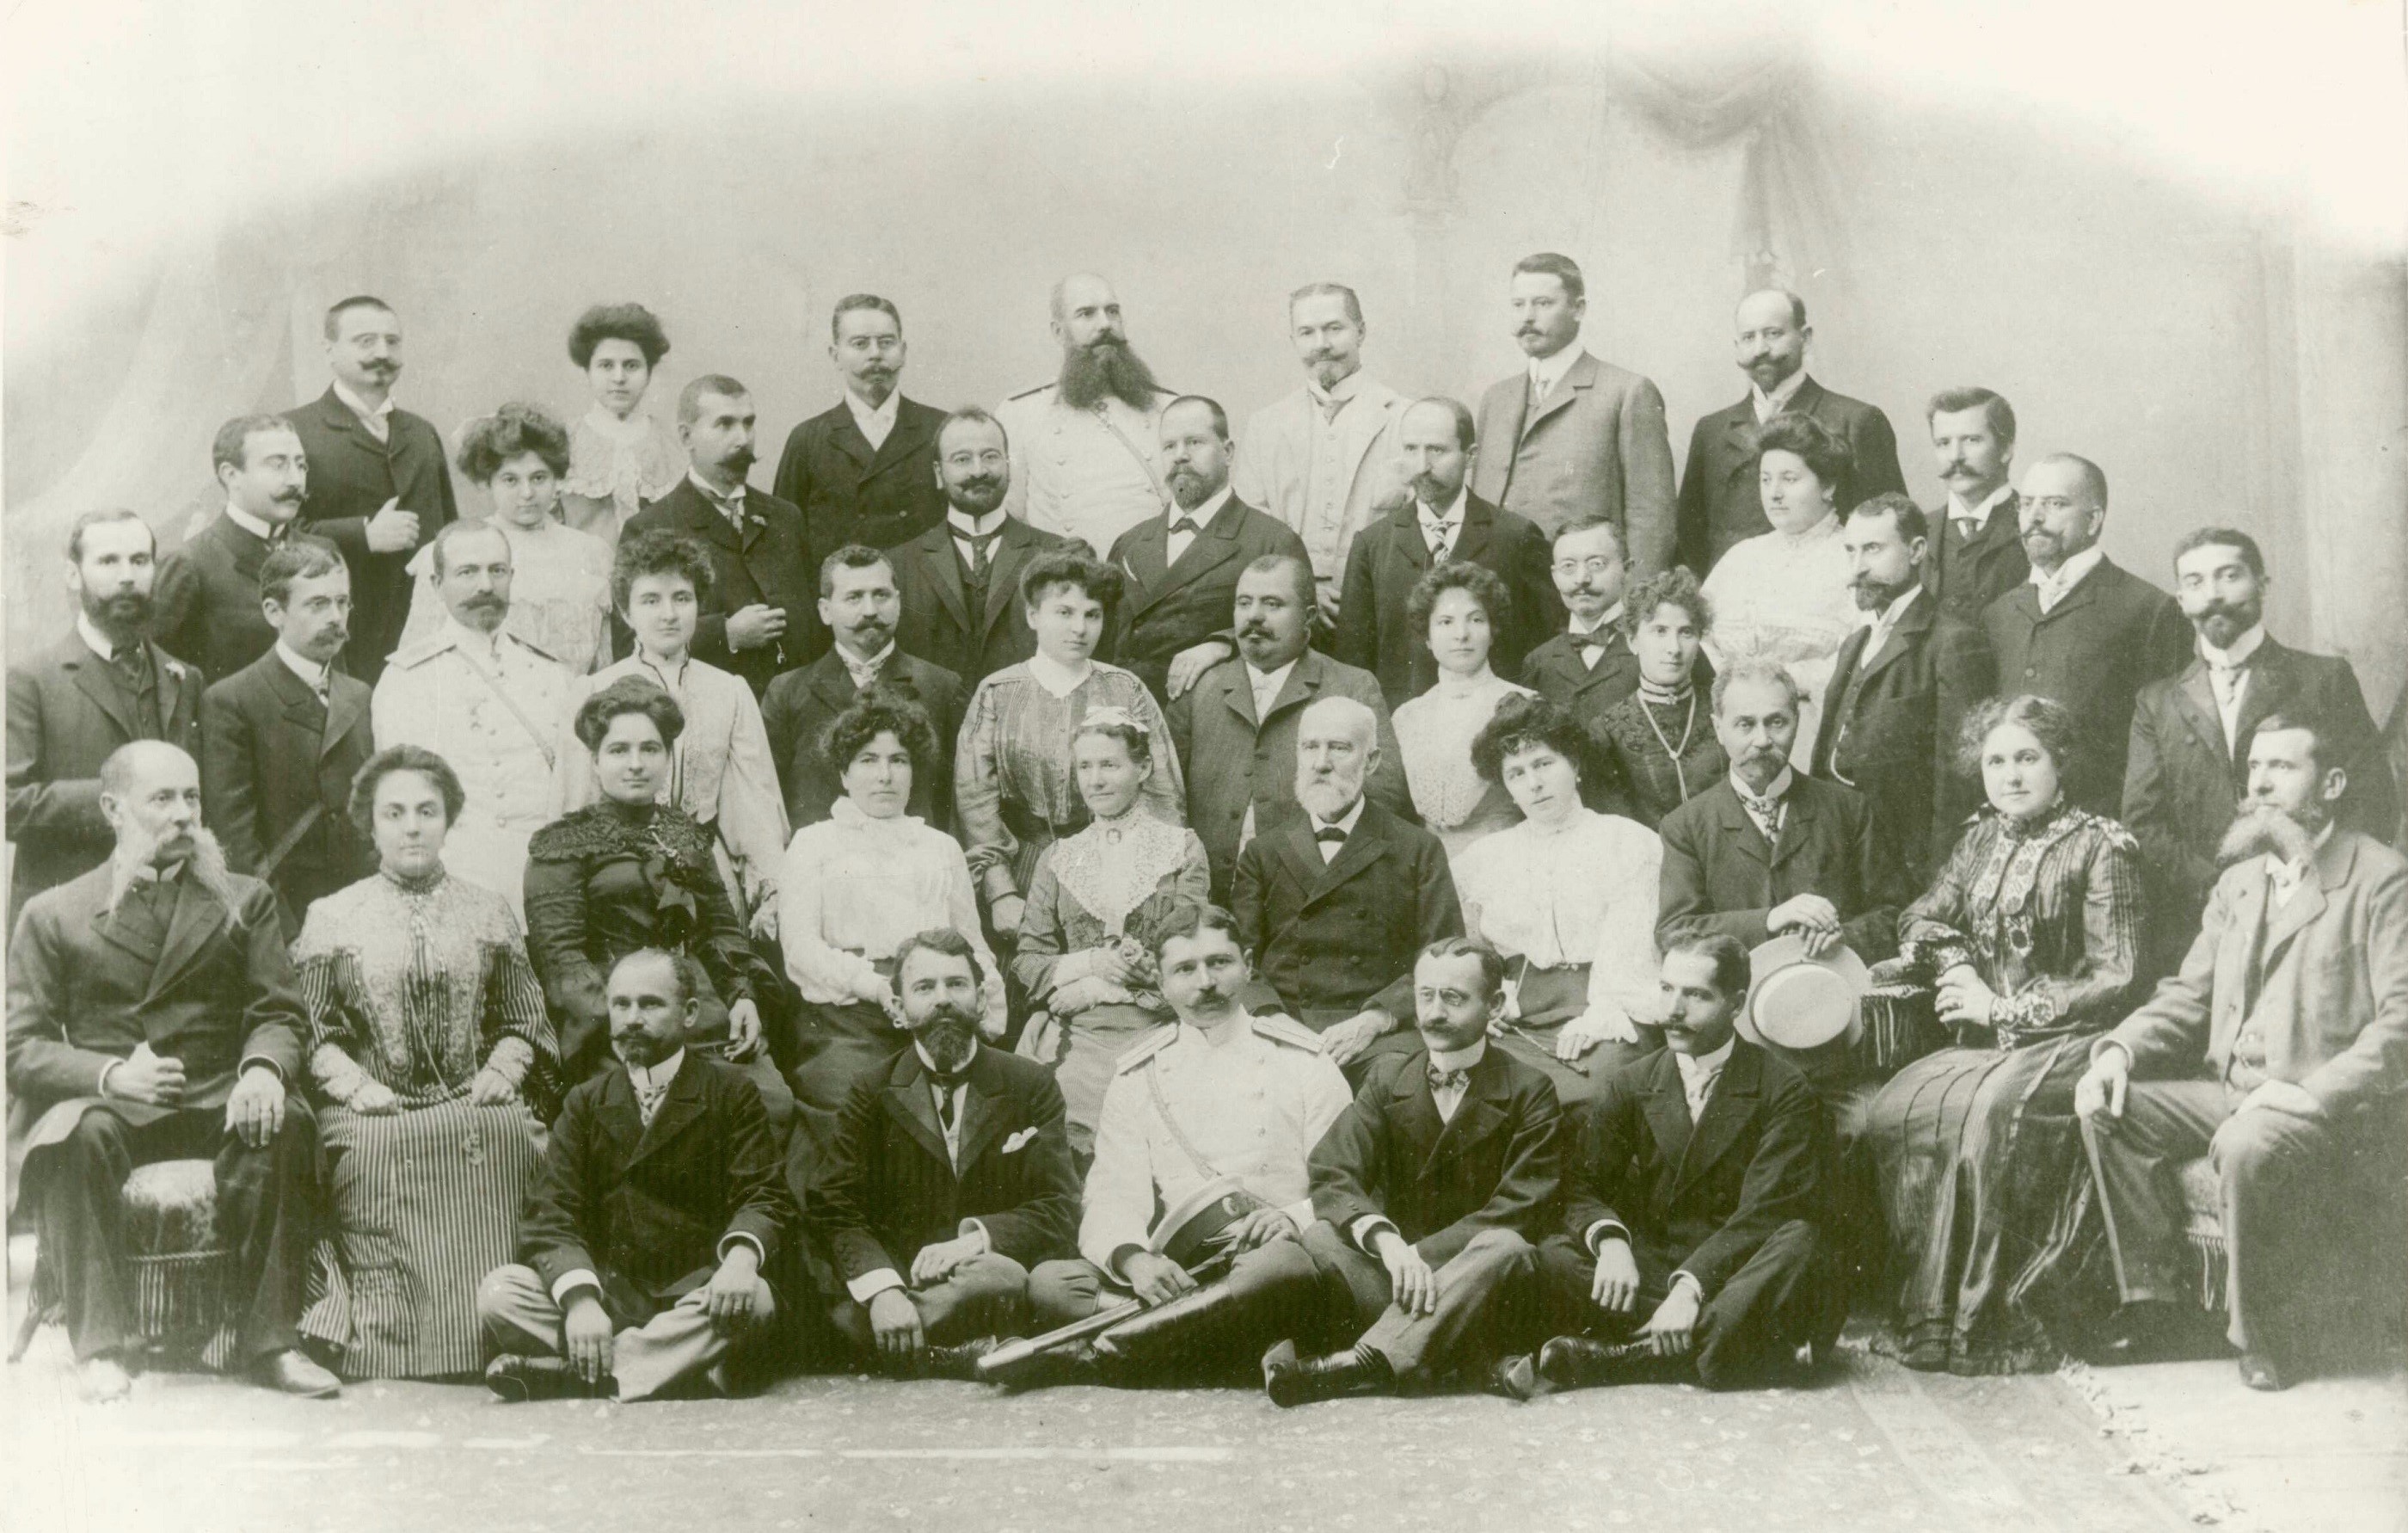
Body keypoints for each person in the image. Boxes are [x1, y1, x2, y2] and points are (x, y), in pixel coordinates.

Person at [2073, 714, 2408, 1390]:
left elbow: (2401, 1023)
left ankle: (2265, 1338)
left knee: (2246, 1143)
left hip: (2326, 1106)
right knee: (2111, 1111)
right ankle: (2158, 1309)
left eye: (2282, 767)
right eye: (2254, 767)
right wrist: (2118, 1053)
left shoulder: (2381, 879)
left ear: (2332, 784)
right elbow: (2188, 994)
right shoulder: (2241, 881)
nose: (2259, 785)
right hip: (2233, 1089)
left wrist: (2310, 1093)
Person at [6, 741, 338, 1401]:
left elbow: (278, 1011)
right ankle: (102, 1347)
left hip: (219, 1094)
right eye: (162, 799)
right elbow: (18, 1047)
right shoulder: (54, 912)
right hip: (116, 1105)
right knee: (69, 1138)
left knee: (285, 1124)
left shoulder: (245, 899)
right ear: (113, 810)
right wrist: (108, 1075)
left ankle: (272, 1343)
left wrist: (263, 1070)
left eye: (192, 798)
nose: (184, 814)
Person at [1858, 696, 2149, 1374]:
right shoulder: (1980, 839)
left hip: (2076, 1038)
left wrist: (2003, 1008)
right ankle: (1928, 1317)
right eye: (1996, 762)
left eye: (2027, 758)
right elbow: (1920, 917)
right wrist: (1957, 966)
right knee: (1898, 1106)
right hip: (1990, 1040)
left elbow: (2119, 975)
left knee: (1991, 1113)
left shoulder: (2103, 846)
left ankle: (1986, 1318)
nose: (2011, 776)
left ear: (2060, 763)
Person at [291, 746, 562, 1380]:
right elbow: (312, 1030)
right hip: (371, 1108)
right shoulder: (332, 916)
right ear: (370, 824)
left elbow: (525, 1016)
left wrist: (504, 1069)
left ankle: (499, 1332)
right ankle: (391, 1344)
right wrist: (354, 1085)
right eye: (394, 813)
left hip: (473, 1097)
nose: (411, 827)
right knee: (374, 1152)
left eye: (427, 811)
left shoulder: (488, 909)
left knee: (509, 1135)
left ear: (448, 820)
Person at [1016, 902, 1348, 1386]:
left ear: (1247, 966)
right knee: (1053, 1283)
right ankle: (1230, 1348)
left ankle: (1119, 1354)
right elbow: (1112, 1193)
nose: (1205, 983)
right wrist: (1136, 1261)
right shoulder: (1139, 1074)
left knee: (1277, 1270)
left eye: (1220, 963)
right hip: (1189, 1271)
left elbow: (1348, 1181)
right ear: (1160, 980)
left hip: (1281, 1252)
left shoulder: (1302, 1059)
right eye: (1185, 969)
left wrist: (1294, 1217)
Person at [1500, 935, 1840, 1397]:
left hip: (1739, 1266)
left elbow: (1765, 1211)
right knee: (1554, 1253)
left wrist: (1691, 1288)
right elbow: (1582, 1185)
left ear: (1736, 1003)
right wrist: (1612, 1243)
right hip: (1661, 1265)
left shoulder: (1784, 1088)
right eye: (1666, 989)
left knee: (1800, 1241)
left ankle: (1626, 1357)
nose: (1673, 1011)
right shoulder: (1633, 1081)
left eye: (1696, 995)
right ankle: (1724, 1342)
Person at [478, 948, 793, 1402]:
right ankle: (666, 1367)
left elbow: (764, 1193)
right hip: (614, 1296)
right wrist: (581, 1301)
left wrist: (740, 1261)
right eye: (620, 1004)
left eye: (650, 1004)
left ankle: (589, 1373)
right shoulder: (586, 1101)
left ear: (689, 1013)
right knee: (500, 1292)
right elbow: (551, 1210)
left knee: (754, 1297)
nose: (632, 1019)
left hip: (699, 1291)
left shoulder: (730, 1091)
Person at [1265, 938, 1561, 1405]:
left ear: (1495, 1005)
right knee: (1322, 1235)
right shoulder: (1388, 1078)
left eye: (1454, 998)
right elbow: (1333, 1170)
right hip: (1397, 1278)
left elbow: (1522, 1205)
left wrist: (1417, 1256)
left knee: (1506, 1245)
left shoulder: (1530, 1089)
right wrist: (1387, 1244)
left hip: (1476, 1278)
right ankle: (1457, 1359)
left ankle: (1358, 1364)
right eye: (1426, 996)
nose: (1434, 1013)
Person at [810, 929, 1080, 1376]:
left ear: (981, 998)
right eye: (924, 988)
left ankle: (911, 1346)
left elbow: (1060, 1205)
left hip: (986, 1273)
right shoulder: (870, 1090)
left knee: (1003, 1277)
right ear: (899, 1009)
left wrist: (970, 1242)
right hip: (904, 1277)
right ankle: (961, 1349)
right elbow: (835, 1205)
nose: (943, 1000)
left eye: (956, 984)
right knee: (836, 1300)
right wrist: (884, 1291)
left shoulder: (1030, 1084)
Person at [2123, 527, 2393, 969]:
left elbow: (2372, 798)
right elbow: (2143, 824)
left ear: (2262, 585)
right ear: (2181, 600)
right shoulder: (2157, 702)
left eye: (2229, 576)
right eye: (2195, 582)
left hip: (2320, 913)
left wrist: (2324, 887)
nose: (2213, 594)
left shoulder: (2323, 679)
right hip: (2201, 920)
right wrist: (2220, 888)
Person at [525, 679, 787, 1093]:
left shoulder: (686, 834)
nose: (636, 764)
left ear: (667, 757)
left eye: (650, 749)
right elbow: (562, 960)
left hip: (698, 1008)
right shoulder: (563, 845)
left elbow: (720, 931)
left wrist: (743, 997)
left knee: (769, 1101)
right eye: (619, 750)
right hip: (614, 1020)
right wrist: (623, 1023)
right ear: (595, 760)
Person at [778, 693, 1004, 1142]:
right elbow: (800, 950)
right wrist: (877, 988)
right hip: (848, 1018)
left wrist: (986, 1004)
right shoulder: (814, 843)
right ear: (844, 773)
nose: (885, 775)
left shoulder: (941, 847)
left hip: (938, 1010)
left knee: (977, 1114)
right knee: (857, 1109)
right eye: (868, 760)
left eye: (898, 760)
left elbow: (971, 944)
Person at [556, 529, 789, 927]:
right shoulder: (593, 690)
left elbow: (754, 802)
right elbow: (576, 803)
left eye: (682, 598)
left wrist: (770, 890)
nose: (669, 614)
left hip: (706, 872)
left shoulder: (728, 691)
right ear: (626, 613)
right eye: (651, 600)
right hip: (619, 874)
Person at [1010, 710, 1210, 1157]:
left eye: (1110, 765)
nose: (1096, 780)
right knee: (1069, 1130)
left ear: (1143, 768)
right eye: (1085, 766)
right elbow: (1028, 960)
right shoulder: (1059, 857)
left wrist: (1098, 988)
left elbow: (1190, 957)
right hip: (1079, 1032)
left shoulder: (1180, 848)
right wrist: (1091, 964)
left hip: (1159, 1025)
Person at [955, 551, 1184, 939]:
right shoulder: (997, 691)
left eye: (1092, 615)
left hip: (1116, 867)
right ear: (1033, 616)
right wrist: (1000, 892)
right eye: (1064, 613)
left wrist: (1156, 883)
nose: (1079, 628)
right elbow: (975, 799)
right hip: (1023, 872)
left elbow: (1162, 794)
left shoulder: (1126, 689)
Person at [1453, 694, 1662, 1105]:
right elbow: (1471, 951)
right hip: (1517, 1018)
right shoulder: (1483, 859)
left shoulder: (1628, 842)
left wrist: (1598, 1020)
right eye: (1516, 773)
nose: (1533, 783)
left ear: (1575, 764)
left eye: (1544, 764)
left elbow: (1632, 950)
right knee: (1481, 1091)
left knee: (1588, 1092)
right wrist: (1483, 1008)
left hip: (1610, 1008)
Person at [1232, 696, 1464, 1065]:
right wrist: (1272, 1018)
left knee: (1394, 1082)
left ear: (1371, 761)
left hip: (1381, 1035)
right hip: (1283, 1027)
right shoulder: (1263, 852)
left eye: (1339, 748)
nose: (1321, 763)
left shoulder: (1418, 848)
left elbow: (1444, 958)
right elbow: (1237, 960)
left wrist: (1376, 1019)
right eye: (1310, 747)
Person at [1167, 553, 1406, 899]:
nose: (1254, 616)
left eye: (1273, 604)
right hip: (1208, 897)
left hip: (1312, 898)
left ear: (1308, 617)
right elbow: (1165, 798)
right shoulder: (1198, 687)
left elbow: (1384, 800)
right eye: (1244, 603)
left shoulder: (1352, 685)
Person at [8, 509, 203, 922]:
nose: (127, 577)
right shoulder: (32, 680)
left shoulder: (185, 679)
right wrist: (121, 800)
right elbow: (9, 804)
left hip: (171, 915)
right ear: (73, 575)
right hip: (70, 915)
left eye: (139, 560)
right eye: (108, 561)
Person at [371, 521, 569, 921]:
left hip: (551, 890)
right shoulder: (407, 680)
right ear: (437, 584)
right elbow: (405, 803)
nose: (486, 586)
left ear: (512, 577)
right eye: (467, 572)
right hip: (458, 890)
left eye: (497, 571)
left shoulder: (552, 675)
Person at [1657, 660, 1903, 970]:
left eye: (1776, 722)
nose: (1762, 740)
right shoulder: (1685, 826)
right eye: (1745, 724)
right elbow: (1674, 933)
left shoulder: (1849, 809)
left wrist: (1845, 937)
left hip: (1832, 984)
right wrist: (1770, 920)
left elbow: (1894, 915)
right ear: (1719, 729)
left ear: (1796, 722)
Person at [1981, 454, 2190, 814]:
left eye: (2055, 504)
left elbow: (2170, 746)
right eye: (2026, 504)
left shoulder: (2149, 609)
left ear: (2093, 520)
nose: (2034, 518)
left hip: (2106, 822)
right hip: (2013, 824)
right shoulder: (1998, 614)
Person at [1809, 493, 1993, 877]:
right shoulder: (1855, 643)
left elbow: (1958, 781)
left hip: (1904, 860)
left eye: (1873, 549)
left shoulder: (1952, 642)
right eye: (1851, 551)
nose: (1858, 567)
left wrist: (1940, 878)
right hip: (1841, 846)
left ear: (1916, 551)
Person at [199, 537, 377, 933]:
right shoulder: (232, 701)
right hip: (285, 917)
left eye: (342, 602)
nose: (336, 617)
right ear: (274, 612)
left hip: (365, 910)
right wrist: (285, 934)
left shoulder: (359, 695)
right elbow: (236, 843)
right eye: (318, 604)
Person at [1334, 397, 1559, 709]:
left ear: (1471, 456)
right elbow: (1353, 660)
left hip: (1497, 720)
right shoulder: (1372, 544)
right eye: (1411, 449)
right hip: (1401, 723)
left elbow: (1545, 649)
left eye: (1437, 450)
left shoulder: (1516, 536)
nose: (1421, 466)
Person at [284, 295, 458, 686]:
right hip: (341, 639)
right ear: (329, 350)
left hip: (424, 637)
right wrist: (362, 536)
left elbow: (449, 530)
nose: (382, 352)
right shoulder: (293, 431)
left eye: (392, 342)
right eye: (365, 341)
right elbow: (274, 536)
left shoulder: (421, 432)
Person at [1467, 253, 1676, 575]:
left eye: (1543, 303)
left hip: (1582, 589)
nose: (1527, 317)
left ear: (1578, 309)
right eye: (1518, 305)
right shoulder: (1496, 398)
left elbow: (1652, 519)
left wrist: (1637, 599)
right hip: (1498, 588)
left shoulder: (1627, 392)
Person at [1675, 288, 1907, 575]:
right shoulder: (1711, 431)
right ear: (1736, 346)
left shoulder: (1857, 421)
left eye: (1773, 334)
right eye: (1748, 338)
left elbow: (1893, 533)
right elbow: (1690, 536)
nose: (1760, 349)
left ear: (1805, 337)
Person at [1103, 395, 1311, 704]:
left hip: (1212, 713)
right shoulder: (1130, 543)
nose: (1180, 456)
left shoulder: (1272, 542)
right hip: (1125, 711)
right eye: (1169, 446)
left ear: (1228, 452)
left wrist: (1224, 644)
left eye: (1195, 442)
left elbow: (1300, 635)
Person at [619, 375, 819, 695]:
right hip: (704, 705)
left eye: (748, 423)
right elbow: (631, 640)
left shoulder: (786, 517)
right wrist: (725, 634)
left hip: (793, 707)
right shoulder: (650, 527)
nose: (742, 439)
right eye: (724, 424)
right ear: (686, 437)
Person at [1230, 282, 1410, 623]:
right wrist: (1301, 590)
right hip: (1285, 612)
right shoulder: (1265, 426)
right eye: (1307, 332)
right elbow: (1251, 529)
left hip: (1383, 609)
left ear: (1361, 332)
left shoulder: (1405, 418)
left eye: (1334, 329)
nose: (1321, 345)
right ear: (1293, 341)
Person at [397, 403, 613, 675]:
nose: (527, 493)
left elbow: (604, 664)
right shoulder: (453, 550)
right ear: (488, 482)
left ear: (556, 479)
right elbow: (419, 659)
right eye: (511, 480)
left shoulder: (592, 552)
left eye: (539, 478)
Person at [763, 545, 966, 830]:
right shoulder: (787, 692)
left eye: (881, 595)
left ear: (898, 602)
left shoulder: (941, 687)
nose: (870, 610)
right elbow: (765, 797)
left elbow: (959, 798)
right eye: (854, 597)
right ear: (825, 610)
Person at [1699, 413, 1862, 766]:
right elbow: (1700, 637)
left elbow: (1861, 661)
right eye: (1765, 479)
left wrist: (1779, 684)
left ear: (1828, 486)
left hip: (1814, 732)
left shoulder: (1853, 557)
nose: (1774, 493)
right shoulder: (1742, 556)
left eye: (1790, 479)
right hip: (1730, 736)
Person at [889, 408, 1080, 689]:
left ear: (1008, 465)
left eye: (990, 456)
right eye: (962, 459)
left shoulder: (1056, 555)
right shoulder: (898, 564)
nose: (978, 471)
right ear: (939, 473)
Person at [995, 272, 1177, 555]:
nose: (1105, 324)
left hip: (1152, 572)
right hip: (1064, 575)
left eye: (1112, 311)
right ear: (1059, 332)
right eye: (1086, 314)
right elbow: (1008, 518)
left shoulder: (1168, 409)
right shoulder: (1020, 414)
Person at [772, 293, 948, 565]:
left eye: (886, 342)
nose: (875, 354)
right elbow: (783, 542)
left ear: (903, 352)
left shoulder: (940, 429)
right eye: (860, 343)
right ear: (835, 356)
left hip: (924, 589)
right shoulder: (807, 439)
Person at [1389, 562, 1538, 869]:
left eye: (1476, 620)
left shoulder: (1524, 705)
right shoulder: (1407, 717)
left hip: (1507, 869)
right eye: (1445, 622)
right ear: (1427, 637)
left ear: (1492, 631)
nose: (1461, 634)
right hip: (1427, 875)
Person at [150, 416, 309, 685]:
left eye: (301, 465)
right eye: (278, 465)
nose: (296, 480)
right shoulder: (190, 562)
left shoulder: (321, 551)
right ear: (231, 475)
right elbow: (158, 673)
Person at [1588, 568, 1727, 829]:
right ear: (1632, 641)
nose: (1674, 648)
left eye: (1686, 632)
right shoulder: (1607, 730)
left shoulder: (1725, 711)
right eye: (1660, 631)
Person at [559, 302, 683, 539]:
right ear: (588, 372)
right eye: (606, 365)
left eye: (631, 366)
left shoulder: (672, 445)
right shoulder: (564, 440)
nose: (619, 377)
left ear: (649, 373)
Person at [1520, 518, 1649, 740]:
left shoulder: (1658, 648)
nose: (1581, 579)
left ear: (1627, 570)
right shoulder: (1538, 662)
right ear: (1554, 576)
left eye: (1596, 564)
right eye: (1568, 567)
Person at [1924, 387, 2029, 628]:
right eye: (1943, 443)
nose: (1955, 456)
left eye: (1972, 440)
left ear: (2006, 449)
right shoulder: (1917, 530)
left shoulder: (2034, 527)